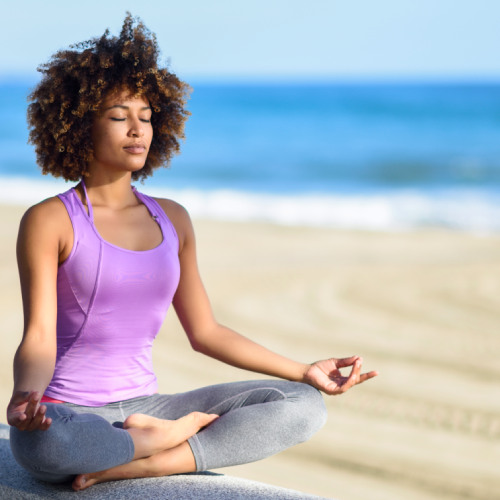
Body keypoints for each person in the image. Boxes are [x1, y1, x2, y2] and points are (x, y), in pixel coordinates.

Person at [6, 14, 378, 492]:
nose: (137, 129)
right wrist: (26, 398)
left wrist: (305, 371)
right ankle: (157, 443)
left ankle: (146, 458)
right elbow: (38, 334)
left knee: (303, 405)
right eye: (119, 117)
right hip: (74, 414)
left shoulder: (173, 219)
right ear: (80, 127)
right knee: (40, 449)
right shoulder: (50, 219)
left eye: (146, 117)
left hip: (149, 406)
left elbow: (205, 332)